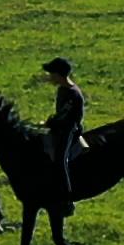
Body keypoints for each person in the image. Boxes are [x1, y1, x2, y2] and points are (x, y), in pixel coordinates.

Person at [41, 55, 85, 195]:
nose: (50, 77)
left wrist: (49, 123)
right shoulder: (62, 89)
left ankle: (66, 194)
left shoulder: (73, 94)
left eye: (52, 74)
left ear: (59, 75)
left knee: (60, 159)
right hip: (60, 128)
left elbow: (64, 115)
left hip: (69, 130)